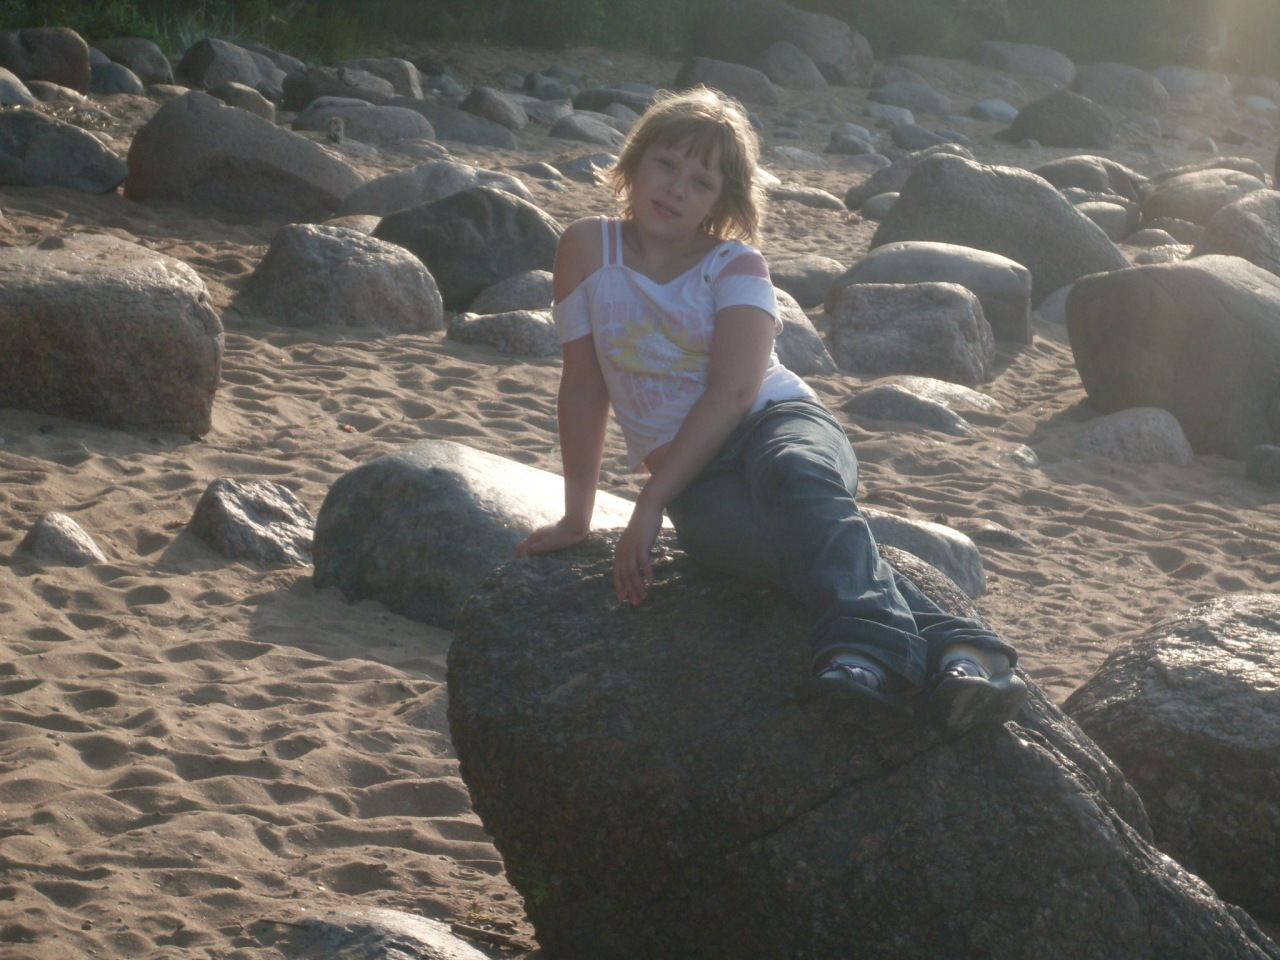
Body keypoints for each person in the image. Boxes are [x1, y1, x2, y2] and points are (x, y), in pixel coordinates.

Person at [515, 85, 1026, 735]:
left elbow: (732, 394)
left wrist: (647, 504)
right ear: (634, 163)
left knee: (795, 475)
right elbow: (585, 388)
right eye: (666, 164)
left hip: (776, 423)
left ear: (721, 201)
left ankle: (862, 656)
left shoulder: (736, 264)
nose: (676, 189)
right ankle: (962, 647)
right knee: (747, 543)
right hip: (695, 472)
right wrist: (577, 518)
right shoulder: (587, 249)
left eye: (702, 182)